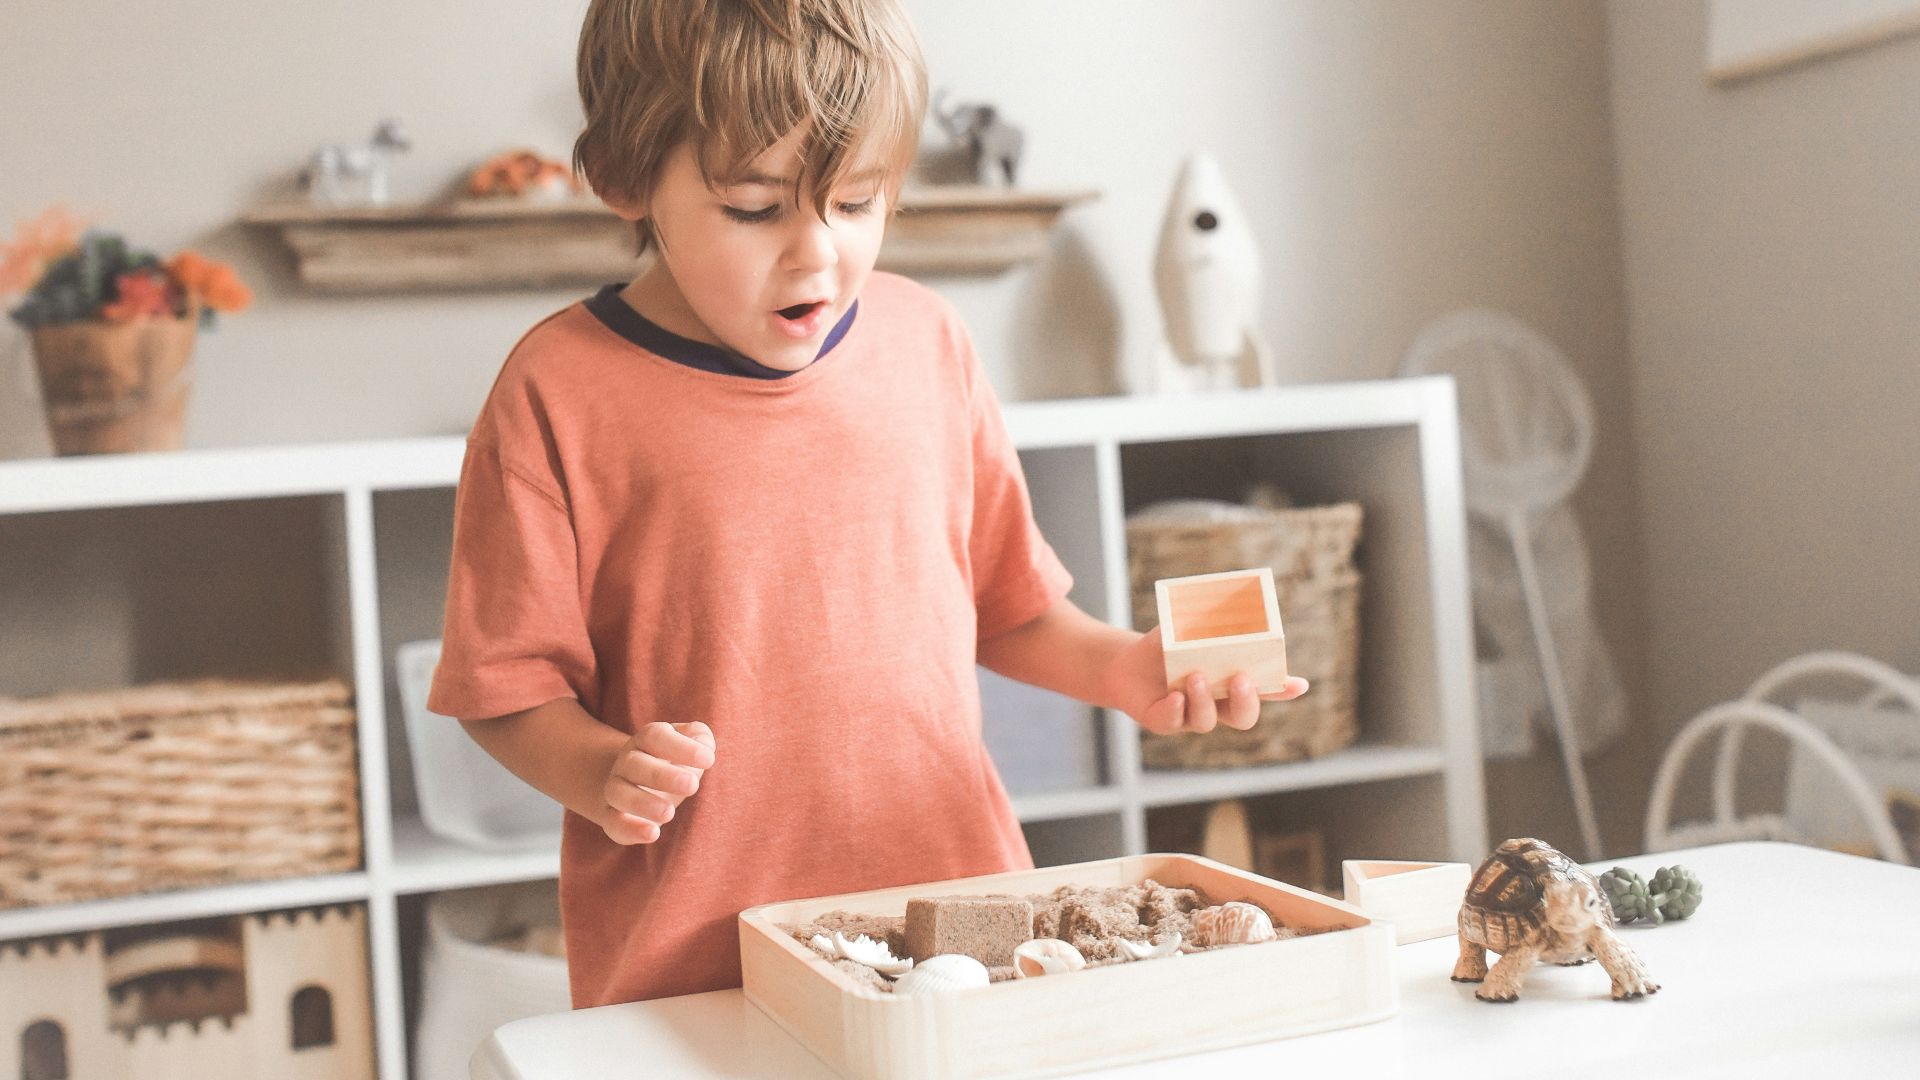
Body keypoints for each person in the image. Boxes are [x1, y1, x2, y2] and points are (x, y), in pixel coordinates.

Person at [426, 0, 1308, 1008]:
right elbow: (503, 688)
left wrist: (1124, 668)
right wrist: (600, 772)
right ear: (626, 180)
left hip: (959, 927)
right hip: (700, 965)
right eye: (754, 209)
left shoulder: (928, 342)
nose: (816, 254)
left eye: (856, 202)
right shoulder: (556, 391)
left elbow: (1007, 605)